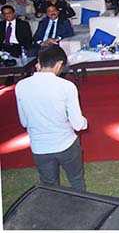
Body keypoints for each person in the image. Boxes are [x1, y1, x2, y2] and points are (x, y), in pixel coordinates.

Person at [15, 45, 88, 190]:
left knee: (49, 187)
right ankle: (82, 209)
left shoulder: (21, 86)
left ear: (38, 63)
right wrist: (85, 122)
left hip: (39, 146)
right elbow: (79, 124)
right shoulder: (66, 86)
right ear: (59, 64)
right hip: (66, 144)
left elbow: (24, 122)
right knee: (76, 180)